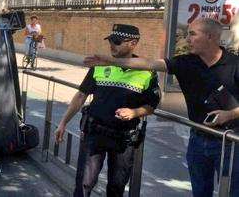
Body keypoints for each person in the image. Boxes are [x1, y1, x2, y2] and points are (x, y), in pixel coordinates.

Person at [84, 18, 239, 197]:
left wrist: (229, 114)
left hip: (230, 142)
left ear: (210, 36)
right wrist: (110, 61)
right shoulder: (186, 62)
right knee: (200, 191)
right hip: (198, 139)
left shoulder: (235, 64)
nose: (187, 39)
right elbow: (150, 63)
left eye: (192, 34)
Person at [57, 24, 160, 197]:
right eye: (110, 41)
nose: (112, 45)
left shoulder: (147, 72)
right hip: (94, 134)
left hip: (124, 139)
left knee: (116, 187)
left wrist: (135, 113)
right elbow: (81, 95)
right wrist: (62, 123)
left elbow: (151, 106)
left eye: (117, 42)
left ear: (132, 44)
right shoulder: (100, 65)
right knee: (84, 183)